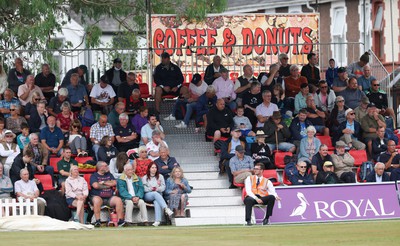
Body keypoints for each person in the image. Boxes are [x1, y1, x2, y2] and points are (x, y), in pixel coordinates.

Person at [90, 161, 125, 227]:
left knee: (118, 200)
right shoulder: (94, 176)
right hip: (98, 196)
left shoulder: (109, 174)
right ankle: (98, 221)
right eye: (105, 166)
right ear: (100, 167)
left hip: (109, 198)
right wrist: (108, 185)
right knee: (97, 200)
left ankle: (120, 221)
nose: (107, 167)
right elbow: (96, 186)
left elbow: (114, 183)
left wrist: (102, 182)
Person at [142, 162, 174, 226]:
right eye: (152, 167)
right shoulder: (145, 177)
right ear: (149, 169)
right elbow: (144, 189)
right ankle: (166, 208)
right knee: (155, 193)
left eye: (155, 167)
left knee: (156, 201)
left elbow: (163, 187)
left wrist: (157, 189)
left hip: (158, 195)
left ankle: (157, 221)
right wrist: (151, 189)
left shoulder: (160, 176)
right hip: (148, 195)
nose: (154, 169)